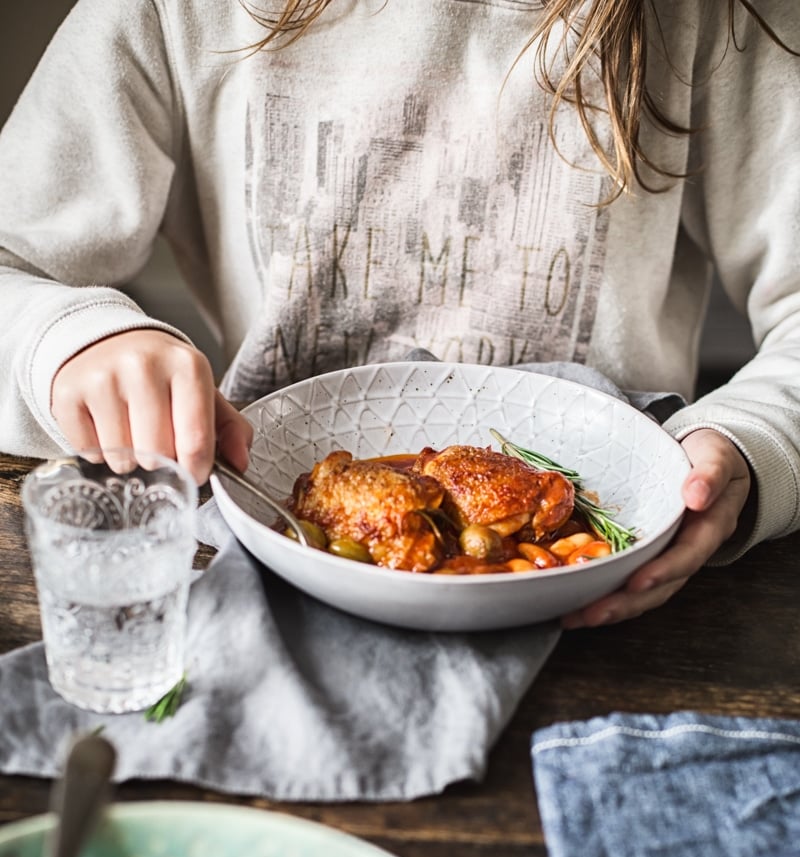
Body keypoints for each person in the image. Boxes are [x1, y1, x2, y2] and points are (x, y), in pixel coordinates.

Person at [0, 0, 797, 628]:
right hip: (249, 574)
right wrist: (68, 342)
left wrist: (753, 442)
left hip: (625, 606)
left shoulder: (713, 18)